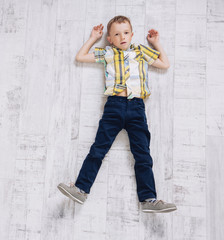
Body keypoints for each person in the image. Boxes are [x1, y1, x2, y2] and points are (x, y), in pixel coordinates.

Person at [57, 15, 177, 213]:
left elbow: (165, 64)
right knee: (98, 150)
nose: (123, 37)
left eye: (126, 32)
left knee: (143, 154)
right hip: (114, 106)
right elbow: (80, 57)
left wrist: (156, 43)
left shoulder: (140, 51)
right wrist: (93, 38)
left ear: (132, 34)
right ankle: (80, 189)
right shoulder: (108, 52)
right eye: (117, 34)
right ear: (110, 39)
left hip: (137, 108)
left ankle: (149, 199)